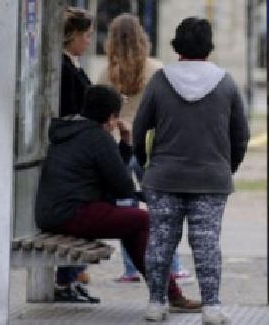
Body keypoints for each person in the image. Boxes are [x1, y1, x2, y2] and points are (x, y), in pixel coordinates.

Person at [34, 85, 202, 311]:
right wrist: (126, 144)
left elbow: (114, 182)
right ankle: (169, 295)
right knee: (142, 220)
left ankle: (167, 294)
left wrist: (121, 148)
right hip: (72, 213)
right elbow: (122, 186)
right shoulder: (97, 138)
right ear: (112, 117)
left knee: (134, 226)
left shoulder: (69, 132)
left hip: (52, 213)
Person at [133, 17, 250, 323]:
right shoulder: (226, 83)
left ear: (177, 45)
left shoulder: (160, 81)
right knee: (207, 243)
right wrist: (228, 166)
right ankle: (211, 307)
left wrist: (146, 164)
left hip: (164, 177)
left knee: (160, 241)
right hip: (211, 177)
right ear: (209, 45)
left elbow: (139, 128)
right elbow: (241, 135)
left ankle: (156, 304)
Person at [94, 13, 189, 284]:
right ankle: (173, 265)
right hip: (149, 147)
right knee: (160, 209)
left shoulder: (105, 73)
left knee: (126, 209)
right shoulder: (156, 69)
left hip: (119, 148)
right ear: (142, 38)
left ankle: (132, 267)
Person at [55, 6, 95, 302]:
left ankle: (72, 274)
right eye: (87, 35)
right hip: (72, 151)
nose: (90, 41)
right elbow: (70, 108)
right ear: (74, 36)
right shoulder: (64, 68)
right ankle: (66, 278)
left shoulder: (74, 64)